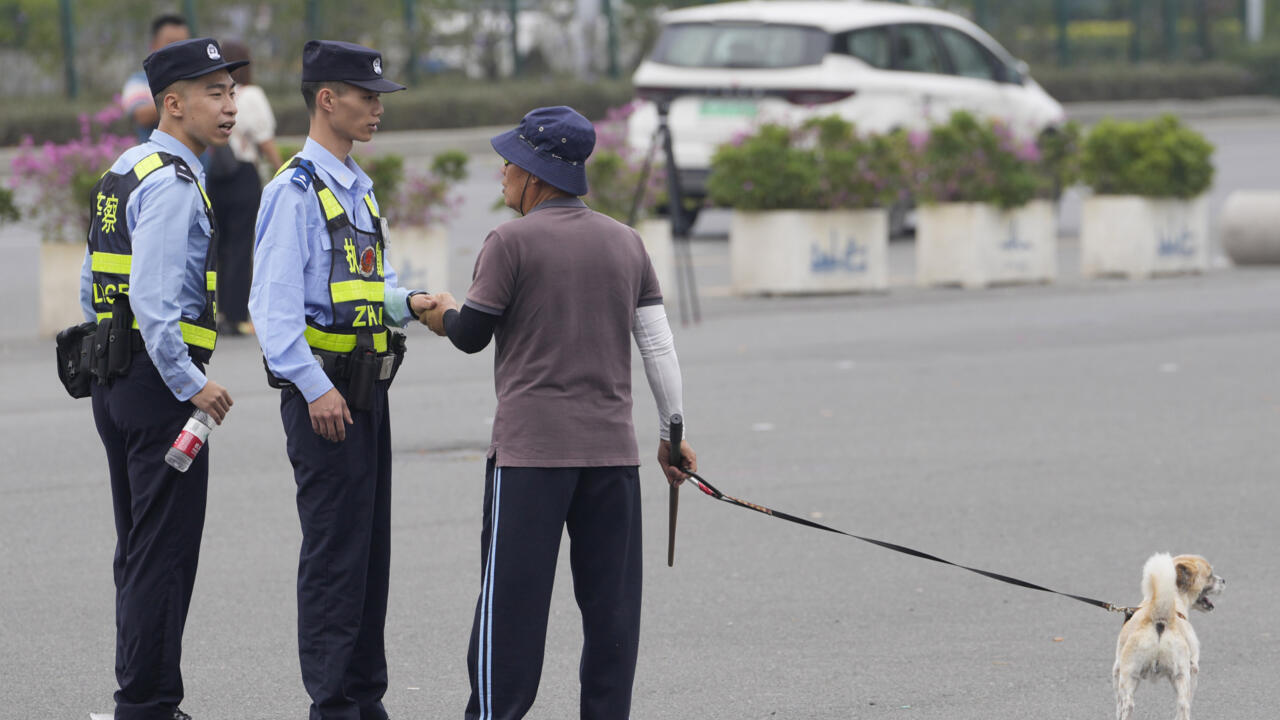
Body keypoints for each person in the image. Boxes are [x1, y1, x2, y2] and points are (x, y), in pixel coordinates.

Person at [419, 105, 698, 720]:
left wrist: (436, 311)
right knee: (612, 614)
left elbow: (471, 334)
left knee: (510, 611)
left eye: (509, 163)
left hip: (530, 461)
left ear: (535, 174)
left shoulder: (509, 242)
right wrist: (671, 435)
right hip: (612, 460)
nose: (501, 175)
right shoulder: (626, 242)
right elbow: (657, 345)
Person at [248, 40, 433, 720]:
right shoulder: (292, 192)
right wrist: (313, 387)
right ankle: (332, 704)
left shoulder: (355, 186)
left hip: (366, 392)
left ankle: (363, 696)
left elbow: (362, 284)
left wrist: (410, 303)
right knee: (334, 559)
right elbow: (270, 311)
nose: (377, 108)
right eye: (367, 95)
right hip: (324, 398)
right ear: (328, 99)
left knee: (368, 556)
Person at [80, 37, 242, 720]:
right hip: (158, 390)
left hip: (116, 382)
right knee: (162, 556)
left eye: (232, 90)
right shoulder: (173, 183)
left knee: (141, 549)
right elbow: (152, 297)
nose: (230, 104)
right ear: (173, 104)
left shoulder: (126, 167)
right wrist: (187, 382)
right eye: (214, 93)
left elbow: (95, 283)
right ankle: (147, 704)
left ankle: (144, 696)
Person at [205, 39, 280, 336]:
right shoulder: (252, 96)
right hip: (243, 173)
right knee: (240, 246)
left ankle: (219, 312)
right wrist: (284, 168)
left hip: (216, 175)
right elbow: (264, 139)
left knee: (219, 247)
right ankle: (237, 316)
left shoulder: (214, 96)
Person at [121, 14, 190, 143]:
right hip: (159, 160)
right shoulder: (139, 82)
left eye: (183, 43)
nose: (178, 49)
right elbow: (142, 116)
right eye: (171, 43)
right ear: (153, 45)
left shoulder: (198, 77)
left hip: (199, 162)